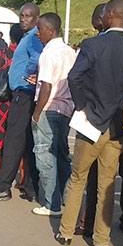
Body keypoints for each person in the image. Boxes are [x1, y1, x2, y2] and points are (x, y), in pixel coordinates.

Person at [54, 0, 123, 246]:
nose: (102, 17)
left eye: (104, 13)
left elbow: (74, 76)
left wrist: (83, 105)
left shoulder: (93, 45)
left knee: (78, 178)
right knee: (107, 182)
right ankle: (102, 240)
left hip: (91, 121)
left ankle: (66, 231)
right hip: (118, 124)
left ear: (112, 15)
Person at [0, 3, 42, 202]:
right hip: (21, 94)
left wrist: (29, 75)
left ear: (37, 18)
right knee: (26, 143)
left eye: (29, 16)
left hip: (25, 95)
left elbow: (39, 59)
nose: (24, 19)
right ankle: (31, 188)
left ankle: (2, 187)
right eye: (22, 15)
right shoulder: (28, 37)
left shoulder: (34, 38)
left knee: (13, 142)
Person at [30, 12, 76, 217]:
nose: (37, 33)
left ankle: (52, 204)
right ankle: (67, 198)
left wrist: (37, 113)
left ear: (51, 30)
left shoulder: (48, 53)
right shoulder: (70, 52)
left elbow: (47, 86)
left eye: (40, 29)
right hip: (66, 108)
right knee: (62, 155)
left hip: (49, 108)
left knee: (45, 155)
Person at [0, 23, 22, 177]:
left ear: (10, 37)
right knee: (21, 140)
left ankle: (1, 178)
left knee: (0, 137)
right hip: (21, 99)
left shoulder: (3, 53)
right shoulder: (27, 53)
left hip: (3, 100)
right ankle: (22, 178)